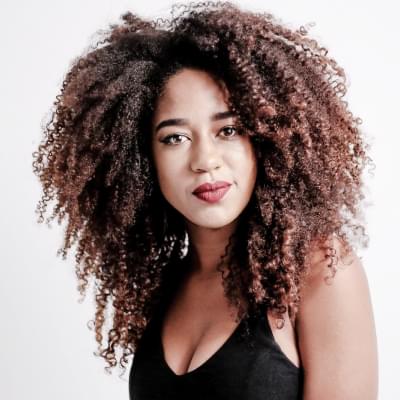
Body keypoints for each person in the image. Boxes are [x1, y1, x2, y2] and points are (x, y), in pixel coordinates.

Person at [32, 2, 378, 399]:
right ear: (142, 159)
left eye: (228, 130)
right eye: (175, 138)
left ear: (265, 139)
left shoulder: (320, 271)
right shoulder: (168, 285)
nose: (205, 161)